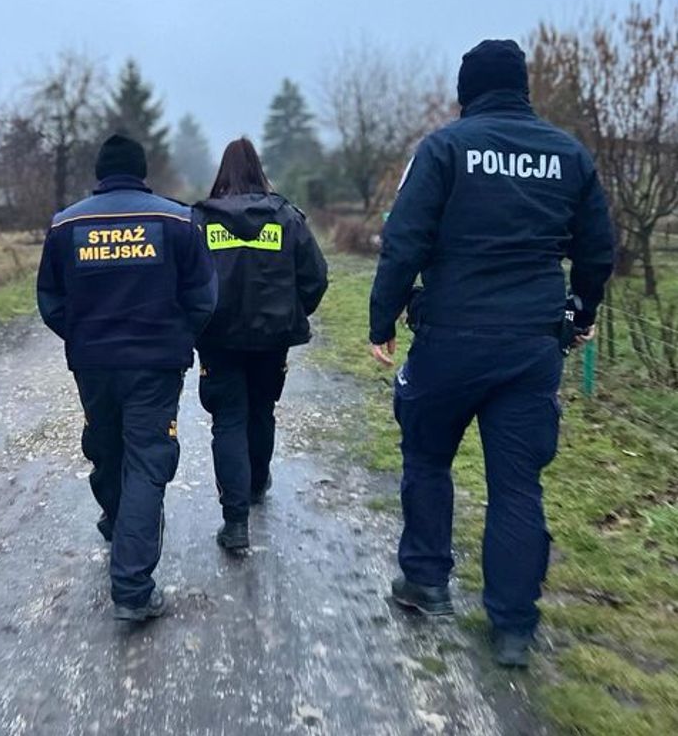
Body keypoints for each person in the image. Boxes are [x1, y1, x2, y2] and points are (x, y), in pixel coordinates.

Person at [369, 39, 615, 667]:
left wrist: (382, 319)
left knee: (426, 457)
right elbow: (597, 248)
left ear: (466, 90)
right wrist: (579, 313)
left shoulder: (445, 148)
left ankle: (425, 582)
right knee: (517, 485)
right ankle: (512, 626)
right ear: (524, 86)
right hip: (532, 344)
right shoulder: (569, 154)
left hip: (450, 336)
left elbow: (404, 239)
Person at [36, 133, 216, 622]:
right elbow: (203, 297)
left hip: (93, 364)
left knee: (108, 447)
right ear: (142, 172)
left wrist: (82, 337)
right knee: (146, 460)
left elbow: (50, 302)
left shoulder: (66, 224)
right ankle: (133, 587)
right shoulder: (177, 220)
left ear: (99, 173)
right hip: (156, 366)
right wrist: (178, 338)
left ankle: (119, 524)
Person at [193, 138, 328, 551]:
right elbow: (316, 277)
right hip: (272, 339)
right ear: (259, 171)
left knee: (228, 420)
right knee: (261, 409)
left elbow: (186, 279)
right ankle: (254, 483)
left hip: (218, 340)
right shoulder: (287, 218)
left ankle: (235, 522)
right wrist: (290, 310)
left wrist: (196, 320)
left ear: (223, 172)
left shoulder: (200, 221)